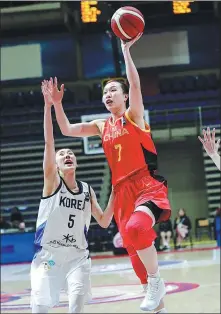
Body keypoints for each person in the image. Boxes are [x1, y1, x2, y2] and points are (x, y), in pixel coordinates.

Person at [44, 33, 171, 313]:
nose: (108, 95)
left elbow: (135, 83)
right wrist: (56, 104)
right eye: (105, 92)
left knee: (138, 228)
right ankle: (156, 297)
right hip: (121, 192)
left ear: (125, 96)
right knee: (134, 253)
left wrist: (126, 50)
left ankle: (156, 281)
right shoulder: (102, 126)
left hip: (145, 185)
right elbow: (67, 130)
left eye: (113, 90)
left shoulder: (134, 117)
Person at [31, 80, 114, 314]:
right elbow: (49, 142)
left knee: (76, 308)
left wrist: (118, 188)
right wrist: (49, 106)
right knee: (40, 308)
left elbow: (105, 221)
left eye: (70, 153)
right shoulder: (52, 183)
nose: (67, 155)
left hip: (78, 256)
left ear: (75, 162)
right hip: (49, 255)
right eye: (62, 154)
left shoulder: (87, 190)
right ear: (56, 166)